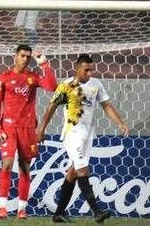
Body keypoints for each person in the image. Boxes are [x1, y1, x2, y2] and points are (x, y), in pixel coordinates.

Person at [37, 54, 130, 224]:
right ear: (77, 68)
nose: (89, 73)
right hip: (73, 134)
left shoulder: (96, 84)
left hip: (88, 134)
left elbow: (106, 105)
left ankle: (58, 214)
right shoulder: (66, 85)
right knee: (82, 170)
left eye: (91, 70)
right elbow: (51, 107)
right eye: (86, 70)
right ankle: (97, 212)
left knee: (73, 172)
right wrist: (41, 129)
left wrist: (120, 123)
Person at [0, 43, 58, 219]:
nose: (25, 59)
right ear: (15, 56)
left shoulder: (33, 77)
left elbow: (52, 86)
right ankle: (2, 207)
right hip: (8, 127)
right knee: (6, 163)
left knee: (24, 167)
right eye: (22, 55)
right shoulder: (3, 78)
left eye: (28, 56)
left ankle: (22, 209)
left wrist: (44, 64)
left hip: (28, 129)